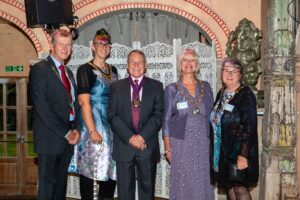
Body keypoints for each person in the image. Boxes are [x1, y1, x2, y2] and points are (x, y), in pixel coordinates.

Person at [29, 29, 80, 200]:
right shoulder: (39, 69)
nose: (65, 48)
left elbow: (74, 106)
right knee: (47, 190)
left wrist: (77, 129)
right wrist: (66, 133)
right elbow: (43, 108)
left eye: (69, 45)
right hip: (50, 140)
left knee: (60, 189)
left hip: (68, 141)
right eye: (61, 44)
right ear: (52, 45)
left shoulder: (69, 73)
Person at [109, 49, 164, 200]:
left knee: (147, 191)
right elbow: (113, 116)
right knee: (124, 192)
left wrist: (141, 137)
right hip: (124, 145)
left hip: (147, 145)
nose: (136, 65)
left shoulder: (157, 86)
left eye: (140, 62)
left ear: (145, 65)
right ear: (127, 66)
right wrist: (131, 138)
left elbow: (158, 115)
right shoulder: (116, 87)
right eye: (132, 62)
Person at [162, 48, 215, 200]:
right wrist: (167, 148)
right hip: (181, 143)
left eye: (192, 60)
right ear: (180, 64)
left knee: (203, 179)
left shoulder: (207, 87)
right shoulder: (172, 89)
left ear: (197, 64)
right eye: (185, 60)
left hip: (203, 142)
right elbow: (166, 120)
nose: (189, 63)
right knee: (183, 182)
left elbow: (212, 115)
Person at [74, 28, 117, 200]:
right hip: (93, 124)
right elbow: (84, 102)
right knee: (90, 169)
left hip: (111, 126)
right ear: (93, 47)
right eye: (99, 43)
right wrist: (92, 130)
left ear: (110, 48)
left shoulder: (113, 71)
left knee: (110, 168)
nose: (103, 47)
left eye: (106, 44)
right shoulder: (85, 70)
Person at [210, 58, 259, 200]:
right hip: (223, 152)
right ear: (221, 74)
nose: (229, 74)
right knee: (230, 188)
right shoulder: (222, 93)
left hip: (238, 152)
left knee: (239, 188)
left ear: (240, 75)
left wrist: (243, 155)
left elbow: (249, 126)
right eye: (226, 70)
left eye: (234, 71)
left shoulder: (246, 94)